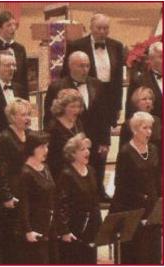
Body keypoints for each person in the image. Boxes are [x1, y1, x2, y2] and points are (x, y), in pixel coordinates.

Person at [45, 51, 110, 201]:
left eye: (87, 66)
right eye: (81, 66)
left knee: (93, 171)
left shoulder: (97, 84)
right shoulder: (57, 87)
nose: (85, 69)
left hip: (90, 136)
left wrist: (105, 140)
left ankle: (98, 192)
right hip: (64, 143)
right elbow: (48, 116)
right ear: (70, 66)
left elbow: (103, 114)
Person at [110, 111, 161, 264]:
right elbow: (120, 184)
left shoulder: (153, 150)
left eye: (150, 128)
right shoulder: (126, 152)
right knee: (136, 253)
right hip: (132, 209)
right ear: (134, 130)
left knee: (153, 252)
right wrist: (140, 197)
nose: (149, 132)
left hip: (152, 208)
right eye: (145, 128)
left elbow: (156, 178)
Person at [62, 13, 123, 127]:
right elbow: (66, 72)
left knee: (104, 131)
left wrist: (117, 105)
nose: (102, 32)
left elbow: (118, 78)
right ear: (91, 27)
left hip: (108, 95)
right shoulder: (77, 45)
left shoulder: (116, 46)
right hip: (85, 93)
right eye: (98, 28)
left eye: (105, 28)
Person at [0, 98, 32, 264]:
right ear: (12, 117)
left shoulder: (30, 135)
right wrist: (6, 196)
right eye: (23, 115)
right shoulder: (3, 138)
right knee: (11, 234)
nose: (28, 118)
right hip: (12, 192)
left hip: (28, 190)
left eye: (29, 114)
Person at [57, 133, 102, 264]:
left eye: (88, 148)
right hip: (74, 229)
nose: (87, 152)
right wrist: (64, 231)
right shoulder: (66, 174)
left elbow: (95, 199)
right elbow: (60, 205)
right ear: (72, 154)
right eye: (82, 149)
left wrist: (98, 224)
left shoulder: (91, 170)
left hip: (90, 228)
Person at [17, 131, 58, 264]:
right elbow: (24, 204)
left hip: (49, 225)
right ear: (32, 148)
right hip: (36, 227)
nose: (46, 150)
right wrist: (28, 230)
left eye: (47, 146)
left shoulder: (45, 167)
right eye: (42, 147)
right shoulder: (26, 173)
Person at [46, 89, 84, 179]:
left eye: (78, 106)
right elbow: (51, 158)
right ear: (62, 107)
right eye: (72, 106)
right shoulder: (52, 128)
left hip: (78, 170)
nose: (76, 110)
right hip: (61, 174)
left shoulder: (78, 123)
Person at [126, 41, 163, 119]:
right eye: (161, 56)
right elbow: (131, 109)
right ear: (151, 60)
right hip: (152, 127)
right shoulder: (139, 81)